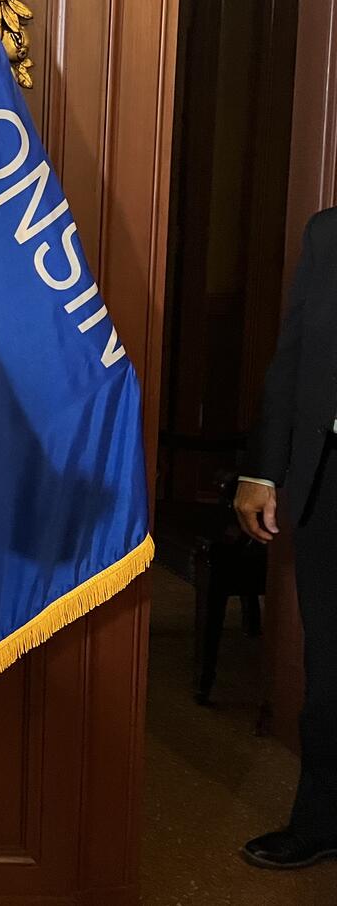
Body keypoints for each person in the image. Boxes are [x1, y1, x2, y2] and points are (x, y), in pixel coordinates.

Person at [235, 207, 337, 871]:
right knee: (329, 669)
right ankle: (321, 822)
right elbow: (293, 357)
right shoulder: (326, 234)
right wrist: (262, 470)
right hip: (328, 482)